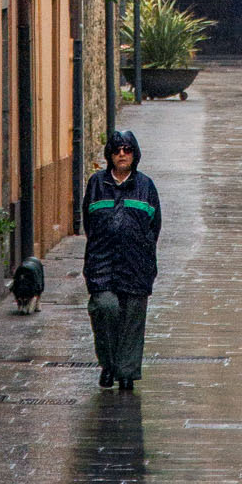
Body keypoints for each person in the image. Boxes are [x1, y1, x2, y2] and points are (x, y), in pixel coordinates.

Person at [83, 130, 162, 392]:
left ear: (134, 154)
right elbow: (89, 223)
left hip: (136, 263)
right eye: (117, 150)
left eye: (127, 150)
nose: (121, 154)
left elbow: (154, 225)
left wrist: (144, 251)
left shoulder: (146, 186)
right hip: (102, 262)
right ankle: (109, 364)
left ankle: (126, 372)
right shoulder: (96, 184)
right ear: (110, 155)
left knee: (132, 319)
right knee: (104, 309)